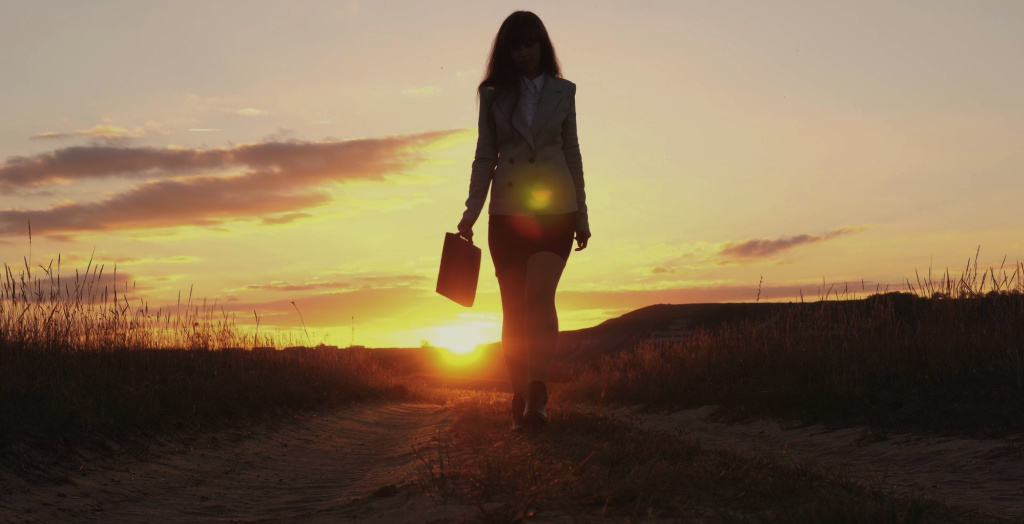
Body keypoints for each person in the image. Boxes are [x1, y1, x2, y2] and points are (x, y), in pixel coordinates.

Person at [456, 10, 591, 432]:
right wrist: (470, 213)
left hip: (557, 210)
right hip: (507, 211)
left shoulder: (564, 91)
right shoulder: (493, 95)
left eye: (530, 43)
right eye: (515, 45)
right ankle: (519, 396)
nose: (523, 52)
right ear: (506, 51)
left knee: (539, 297)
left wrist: (583, 214)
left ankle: (538, 391)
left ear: (542, 46)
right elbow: (484, 155)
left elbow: (573, 154)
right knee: (513, 308)